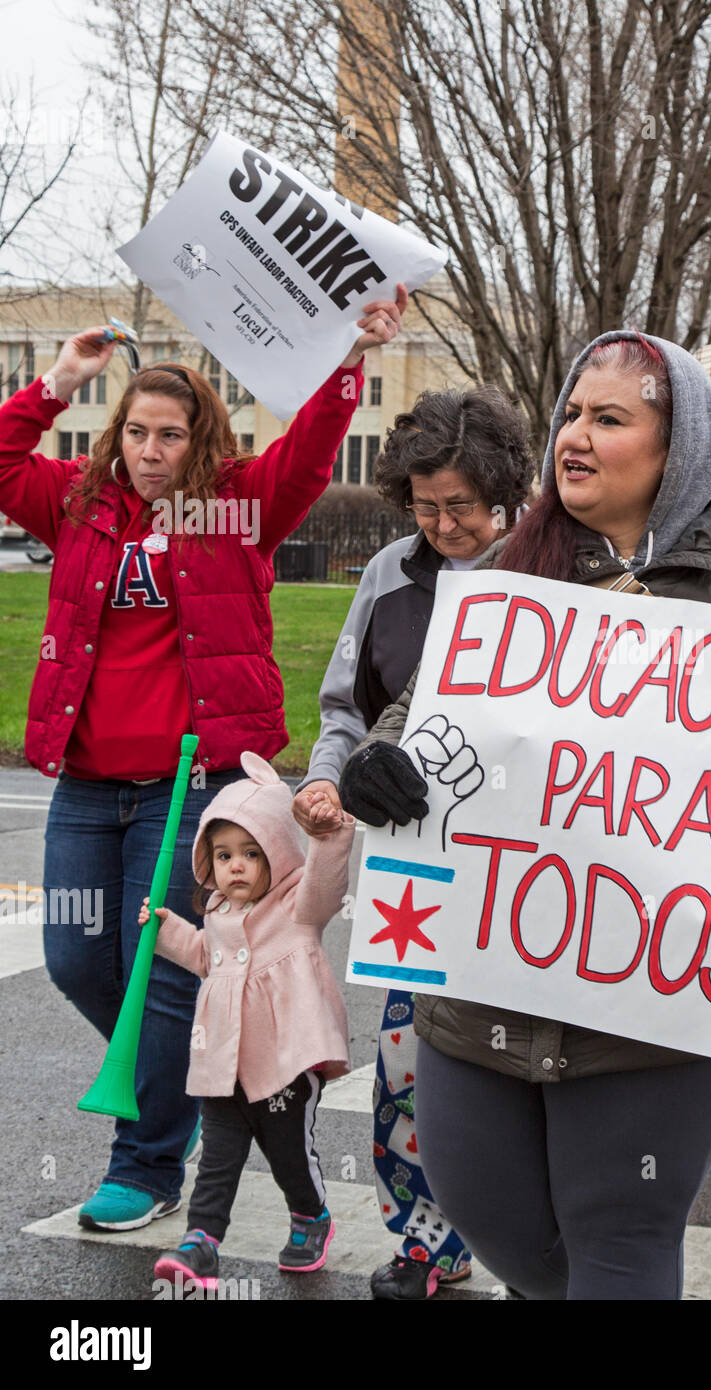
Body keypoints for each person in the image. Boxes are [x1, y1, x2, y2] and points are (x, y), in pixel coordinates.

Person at [337, 330, 711, 1299]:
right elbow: (416, 717)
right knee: (500, 1223)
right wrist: (378, 766)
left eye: (610, 418)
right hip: (485, 986)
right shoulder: (512, 576)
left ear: (675, 445)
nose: (577, 436)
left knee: (619, 1232)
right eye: (571, 413)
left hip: (665, 1002)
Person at [0, 289, 404, 1231]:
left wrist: (350, 358)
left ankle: (144, 1166)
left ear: (200, 439)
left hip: (192, 789)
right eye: (136, 431)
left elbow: (307, 453)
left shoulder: (237, 511)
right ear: (116, 437)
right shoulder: (76, 506)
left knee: (169, 964)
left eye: (171, 435)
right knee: (73, 956)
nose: (150, 450)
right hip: (90, 786)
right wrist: (58, 380)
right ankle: (183, 1085)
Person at [293, 385, 535, 1300]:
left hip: (530, 873)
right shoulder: (392, 573)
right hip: (418, 871)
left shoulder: (558, 565)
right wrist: (326, 777)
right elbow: (347, 706)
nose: (442, 525)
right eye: (425, 507)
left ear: (505, 490)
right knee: (407, 1066)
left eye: (461, 507)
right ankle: (428, 1237)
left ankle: (530, 1246)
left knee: (517, 1072)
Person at [146, 752, 355, 1289]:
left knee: (288, 1154)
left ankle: (311, 1215)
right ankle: (201, 1243)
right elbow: (203, 958)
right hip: (223, 1063)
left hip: (284, 1062)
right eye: (222, 855)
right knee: (217, 1156)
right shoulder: (217, 911)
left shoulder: (297, 908)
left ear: (279, 854)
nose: (233, 866)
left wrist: (327, 840)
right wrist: (167, 931)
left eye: (250, 853)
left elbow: (327, 885)